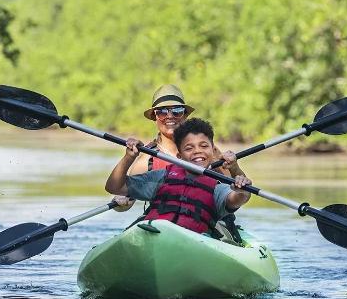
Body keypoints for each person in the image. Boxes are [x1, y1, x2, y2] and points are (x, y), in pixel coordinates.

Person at [105, 117, 252, 236]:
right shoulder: (161, 178)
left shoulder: (217, 187)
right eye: (189, 148)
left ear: (213, 151)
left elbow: (239, 198)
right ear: (179, 156)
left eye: (204, 146)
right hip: (155, 235)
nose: (197, 151)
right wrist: (128, 157)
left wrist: (241, 184)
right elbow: (113, 187)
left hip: (194, 243)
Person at [112, 84, 246, 210]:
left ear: (185, 115)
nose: (170, 116)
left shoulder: (206, 152)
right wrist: (121, 203)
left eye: (177, 111)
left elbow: (236, 189)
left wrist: (235, 167)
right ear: (155, 116)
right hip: (165, 220)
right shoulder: (146, 159)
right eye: (162, 112)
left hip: (209, 219)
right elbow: (125, 195)